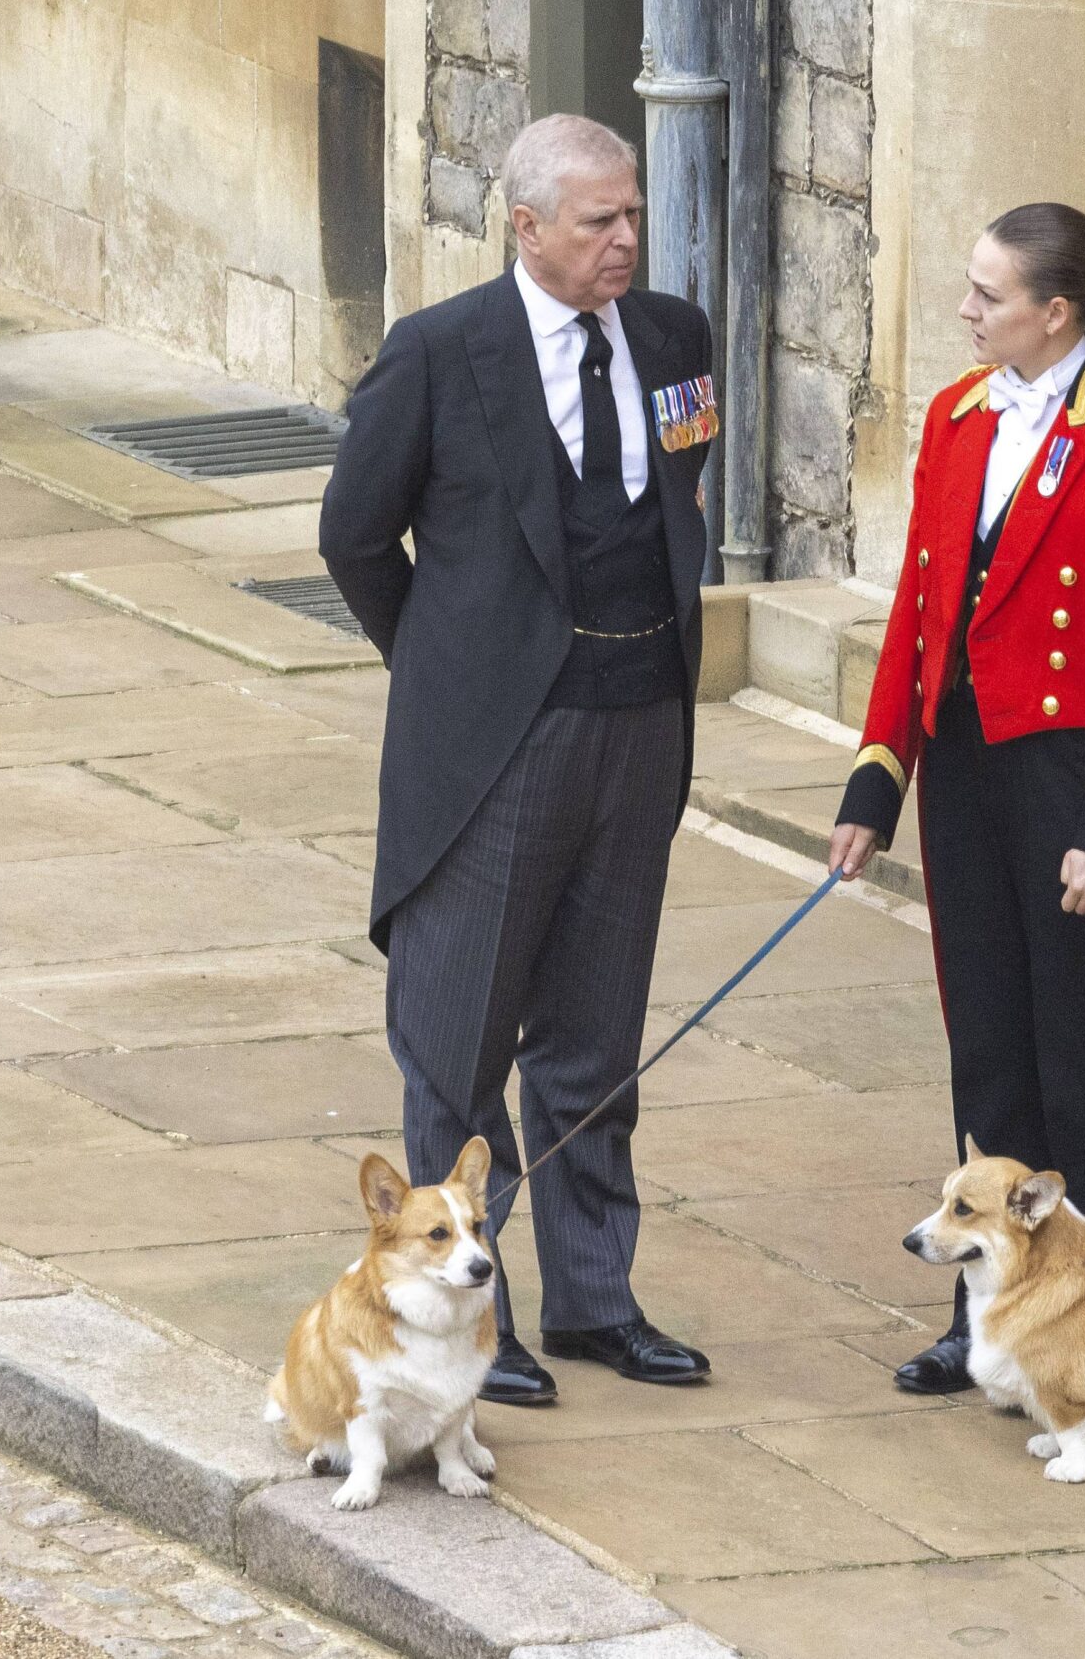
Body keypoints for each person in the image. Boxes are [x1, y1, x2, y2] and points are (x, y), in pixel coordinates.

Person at [318, 114, 720, 1407]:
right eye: (598, 221)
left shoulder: (672, 341)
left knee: (596, 1039)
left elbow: (682, 493)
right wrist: (449, 673)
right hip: (496, 750)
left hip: (637, 726)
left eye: (633, 217)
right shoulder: (440, 356)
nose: (626, 242)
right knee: (459, 1039)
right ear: (526, 226)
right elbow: (355, 537)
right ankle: (452, 1314)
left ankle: (596, 1295)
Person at [828, 203, 1085, 1395]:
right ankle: (988, 1311)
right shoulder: (954, 418)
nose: (964, 312)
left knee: (1084, 1061)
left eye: (988, 296)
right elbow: (921, 612)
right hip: (967, 774)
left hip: (1074, 782)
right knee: (990, 1047)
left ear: (1057, 312)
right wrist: (875, 775)